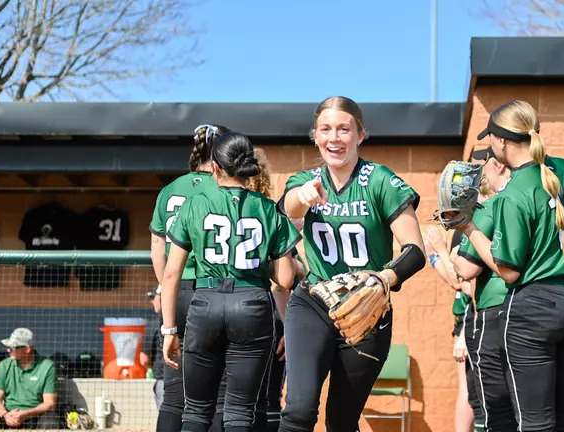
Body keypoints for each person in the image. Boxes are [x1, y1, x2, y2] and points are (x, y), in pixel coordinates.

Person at [276, 96, 426, 432]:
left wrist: (381, 280)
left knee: (341, 421)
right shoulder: (304, 181)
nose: (334, 138)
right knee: (298, 411)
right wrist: (303, 196)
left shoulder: (380, 181)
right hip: (313, 302)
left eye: (344, 129)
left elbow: (414, 251)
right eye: (326, 129)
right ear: (314, 135)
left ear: (360, 135)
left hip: (368, 310)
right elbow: (289, 207)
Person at [453, 100, 564, 432]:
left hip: (535, 309)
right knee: (560, 418)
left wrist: (468, 227)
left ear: (501, 141)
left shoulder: (514, 191)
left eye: (491, 138)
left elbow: (508, 271)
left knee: (534, 423)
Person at [161, 131, 301, 432]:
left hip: (205, 301)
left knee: (196, 411)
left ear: (215, 167)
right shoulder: (267, 208)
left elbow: (171, 273)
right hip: (252, 304)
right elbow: (286, 279)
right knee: (240, 412)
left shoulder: (196, 203)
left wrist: (169, 328)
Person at [149, 124, 231, 432]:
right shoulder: (223, 187)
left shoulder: (169, 189)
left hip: (177, 291)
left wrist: (165, 287)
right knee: (220, 394)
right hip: (214, 289)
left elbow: (157, 245)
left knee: (174, 396)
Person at [451, 146, 518, 432]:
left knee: (494, 405)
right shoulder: (532, 196)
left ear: (500, 166)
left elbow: (465, 272)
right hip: (534, 310)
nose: (475, 174)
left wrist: (443, 255)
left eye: (481, 166)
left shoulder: (494, 206)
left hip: (499, 314)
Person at [244, 148, 308, 432]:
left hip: (224, 308)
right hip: (267, 316)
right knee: (269, 398)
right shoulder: (272, 215)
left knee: (233, 401)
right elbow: (282, 283)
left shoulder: (221, 210)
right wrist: (288, 326)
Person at [424, 225, 485, 432]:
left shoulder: (477, 227)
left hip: (476, 320)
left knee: (477, 391)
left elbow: (463, 283)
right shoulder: (462, 229)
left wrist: (440, 251)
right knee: (468, 390)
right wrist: (433, 256)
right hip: (467, 318)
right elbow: (457, 281)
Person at [0, 328, 60, 430]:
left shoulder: (47, 366)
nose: (8, 350)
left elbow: (49, 404)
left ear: (28, 349)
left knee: (51, 424)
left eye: (13, 347)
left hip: (36, 415)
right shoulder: (4, 366)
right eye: (8, 347)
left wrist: (26, 413)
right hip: (9, 414)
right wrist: (5, 415)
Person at [141, 286, 164, 410]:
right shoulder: (185, 320)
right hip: (186, 378)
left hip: (163, 378)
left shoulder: (154, 324)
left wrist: (151, 367)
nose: (152, 301)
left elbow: (144, 359)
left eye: (153, 297)